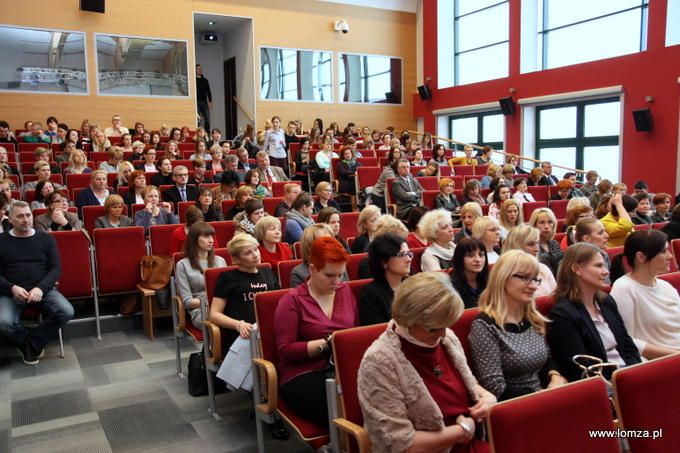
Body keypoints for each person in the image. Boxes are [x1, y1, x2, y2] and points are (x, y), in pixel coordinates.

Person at [358, 271, 494, 453]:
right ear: (407, 319)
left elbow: (467, 381)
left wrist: (488, 397)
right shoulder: (379, 361)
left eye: (446, 326)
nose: (443, 334)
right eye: (433, 329)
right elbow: (402, 443)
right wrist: (463, 430)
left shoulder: (446, 339)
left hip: (467, 443)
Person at [274, 236, 358, 426]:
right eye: (330, 276)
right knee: (342, 408)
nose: (337, 281)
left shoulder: (344, 291)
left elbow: (355, 333)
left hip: (341, 367)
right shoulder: (292, 300)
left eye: (341, 275)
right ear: (312, 270)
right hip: (303, 372)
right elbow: (285, 352)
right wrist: (328, 344)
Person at [469, 250, 567, 401]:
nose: (534, 286)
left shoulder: (532, 317)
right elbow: (494, 386)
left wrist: (555, 376)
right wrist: (539, 397)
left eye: (535, 279)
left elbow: (546, 358)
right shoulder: (484, 325)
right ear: (503, 278)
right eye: (525, 278)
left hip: (542, 396)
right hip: (514, 405)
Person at [548, 243, 641, 382]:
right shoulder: (563, 313)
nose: (606, 272)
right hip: (602, 382)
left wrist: (634, 371)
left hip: (627, 374)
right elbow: (580, 366)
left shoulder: (606, 301)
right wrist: (621, 376)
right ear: (577, 269)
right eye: (598, 266)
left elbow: (628, 346)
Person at [0, 201, 75, 365]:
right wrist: (11, 288)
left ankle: (30, 343)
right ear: (10, 219)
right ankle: (29, 342)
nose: (25, 219)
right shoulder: (1, 240)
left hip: (42, 290)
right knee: (4, 323)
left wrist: (40, 288)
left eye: (28, 215)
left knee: (66, 311)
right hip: (11, 292)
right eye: (20, 216)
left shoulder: (45, 238)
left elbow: (55, 269)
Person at [609, 230, 680, 360]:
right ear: (641, 257)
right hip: (660, 361)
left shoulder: (666, 286)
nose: (670, 256)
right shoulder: (624, 288)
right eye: (663, 251)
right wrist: (675, 356)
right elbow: (628, 340)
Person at [359, 233, 411, 325]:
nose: (408, 259)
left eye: (408, 254)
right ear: (384, 261)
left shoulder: (412, 284)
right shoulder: (370, 293)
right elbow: (376, 330)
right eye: (401, 255)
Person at [502, 226, 557, 297]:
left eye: (537, 243)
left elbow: (556, 298)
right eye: (531, 244)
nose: (537, 249)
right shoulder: (507, 274)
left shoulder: (543, 268)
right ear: (516, 246)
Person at [450, 237, 489, 309]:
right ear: (460, 258)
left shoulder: (489, 281)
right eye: (470, 255)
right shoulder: (451, 287)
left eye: (481, 254)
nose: (478, 259)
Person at [195, 64, 213, 132]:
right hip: (196, 102)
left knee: (207, 119)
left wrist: (210, 101)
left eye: (200, 69)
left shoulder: (205, 80)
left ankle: (207, 133)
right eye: (198, 69)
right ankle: (198, 133)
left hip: (204, 102)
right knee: (197, 119)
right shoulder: (193, 80)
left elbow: (208, 91)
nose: (200, 70)